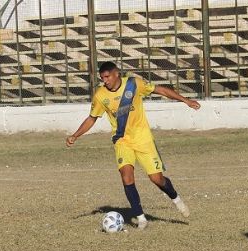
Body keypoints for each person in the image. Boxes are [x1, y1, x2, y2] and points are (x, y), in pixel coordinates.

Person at [66, 61, 196, 229]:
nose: (105, 81)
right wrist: (75, 135)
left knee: (157, 179)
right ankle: (141, 218)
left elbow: (160, 90)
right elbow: (92, 118)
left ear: (116, 74)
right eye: (102, 78)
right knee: (126, 176)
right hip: (122, 141)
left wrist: (185, 100)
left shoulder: (134, 84)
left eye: (107, 77)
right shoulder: (100, 95)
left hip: (143, 139)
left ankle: (176, 199)